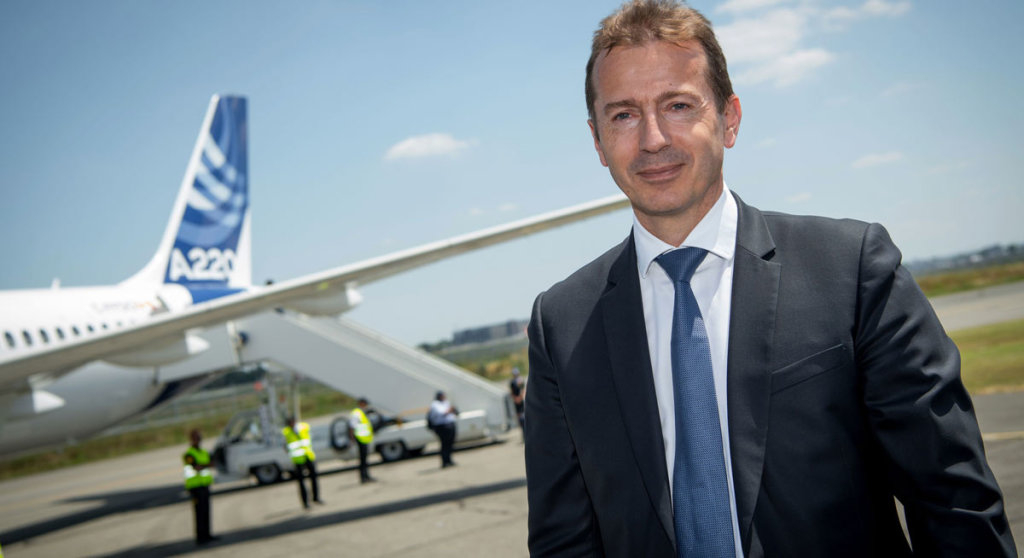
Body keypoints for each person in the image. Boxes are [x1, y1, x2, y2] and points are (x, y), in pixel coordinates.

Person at [523, 1, 1016, 556]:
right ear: (597, 141)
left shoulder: (850, 269)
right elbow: (563, 541)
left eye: (678, 105)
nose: (653, 138)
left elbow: (952, 501)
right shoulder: (561, 325)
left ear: (729, 118)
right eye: (623, 115)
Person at [183, 429, 217, 545]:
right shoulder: (189, 454)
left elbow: (212, 463)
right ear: (191, 439)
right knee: (199, 513)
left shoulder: (203, 452)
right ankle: (200, 537)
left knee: (206, 511)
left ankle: (207, 534)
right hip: (195, 488)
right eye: (196, 438)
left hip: (205, 485)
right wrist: (206, 465)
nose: (198, 440)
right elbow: (196, 467)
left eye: (199, 438)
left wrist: (204, 465)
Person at [282, 416, 323, 508]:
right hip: (298, 459)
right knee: (301, 481)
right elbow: (285, 445)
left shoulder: (304, 427)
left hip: (308, 455)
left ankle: (316, 498)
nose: (292, 424)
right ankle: (305, 502)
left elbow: (309, 437)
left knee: (314, 478)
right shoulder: (286, 432)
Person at [348, 397, 376, 483]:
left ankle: (366, 476)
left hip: (364, 438)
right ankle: (363, 477)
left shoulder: (361, 412)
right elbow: (352, 427)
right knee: (363, 459)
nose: (366, 406)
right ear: (361, 403)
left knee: (365, 459)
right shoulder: (357, 413)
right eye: (365, 404)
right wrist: (352, 439)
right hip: (360, 438)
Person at [428, 391, 458, 468]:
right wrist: (450, 410)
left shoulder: (445, 402)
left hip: (450, 425)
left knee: (450, 443)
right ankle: (444, 461)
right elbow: (441, 413)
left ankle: (449, 460)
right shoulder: (435, 404)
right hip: (442, 426)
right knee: (444, 444)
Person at [508, 368, 526, 434]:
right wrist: (515, 398)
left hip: (521, 399)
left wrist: (520, 397)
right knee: (519, 416)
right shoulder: (512, 382)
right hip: (516, 400)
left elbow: (522, 389)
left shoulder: (520, 380)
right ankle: (523, 430)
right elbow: (512, 392)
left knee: (523, 414)